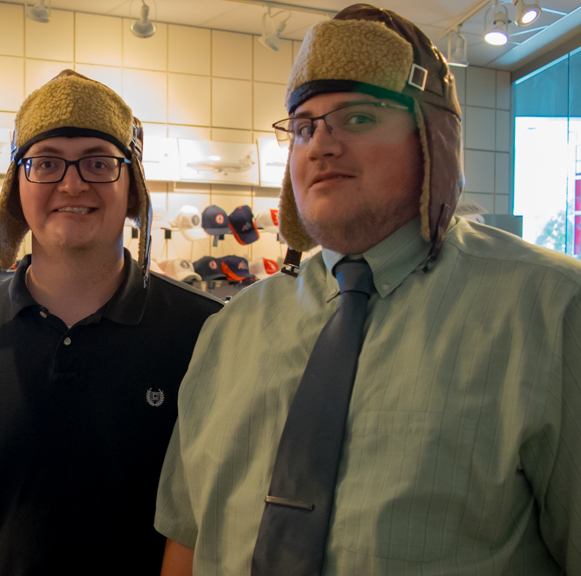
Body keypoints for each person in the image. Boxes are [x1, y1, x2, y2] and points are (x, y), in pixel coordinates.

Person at [156, 5, 581, 575]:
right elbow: (187, 541)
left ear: (433, 139)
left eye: (357, 117)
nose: (320, 146)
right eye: (303, 127)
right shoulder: (230, 331)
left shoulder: (553, 312)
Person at [0, 70, 223, 576]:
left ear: (132, 186)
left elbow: (210, 519)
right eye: (46, 163)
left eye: (99, 162)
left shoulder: (205, 333)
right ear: (17, 186)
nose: (72, 184)